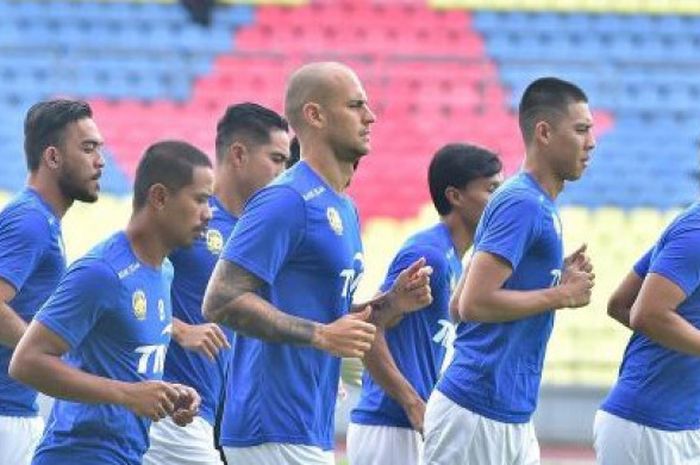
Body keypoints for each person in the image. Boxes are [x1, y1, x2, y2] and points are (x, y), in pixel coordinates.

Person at [202, 61, 432, 465]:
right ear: (315, 115)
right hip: (270, 422)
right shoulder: (286, 199)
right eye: (356, 105)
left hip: (308, 419)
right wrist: (320, 335)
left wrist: (391, 303)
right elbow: (220, 300)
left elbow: (331, 316)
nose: (370, 116)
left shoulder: (342, 206)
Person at [422, 77, 596, 465]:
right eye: (581, 129)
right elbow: (474, 303)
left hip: (507, 410)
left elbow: (455, 303)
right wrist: (561, 295)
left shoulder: (532, 202)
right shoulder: (523, 203)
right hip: (476, 409)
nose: (592, 142)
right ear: (545, 132)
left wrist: (551, 277)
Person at [9, 141, 211, 465]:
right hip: (77, 455)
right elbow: (27, 362)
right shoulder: (102, 271)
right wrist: (128, 395)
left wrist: (167, 395)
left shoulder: (164, 271)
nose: (208, 213)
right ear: (159, 197)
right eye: (200, 199)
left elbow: (121, 365)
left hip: (127, 455)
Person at [142, 103, 291, 465]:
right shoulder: (187, 216)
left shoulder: (257, 233)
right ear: (239, 154)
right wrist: (179, 330)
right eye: (276, 159)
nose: (284, 172)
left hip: (209, 412)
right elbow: (117, 284)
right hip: (166, 405)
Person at [347, 143, 503, 465]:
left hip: (412, 424)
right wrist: (412, 403)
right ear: (455, 196)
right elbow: (368, 327)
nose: (500, 201)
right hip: (391, 426)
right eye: (491, 189)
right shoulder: (429, 255)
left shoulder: (456, 260)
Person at [0, 99, 105, 465]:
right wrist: (46, 354)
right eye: (88, 148)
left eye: (100, 149)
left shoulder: (43, 221)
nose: (100, 161)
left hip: (17, 411)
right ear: (53, 158)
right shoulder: (29, 221)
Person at [594, 212, 700, 463]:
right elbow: (647, 315)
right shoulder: (694, 235)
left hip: (684, 421)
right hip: (649, 427)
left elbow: (621, 304)